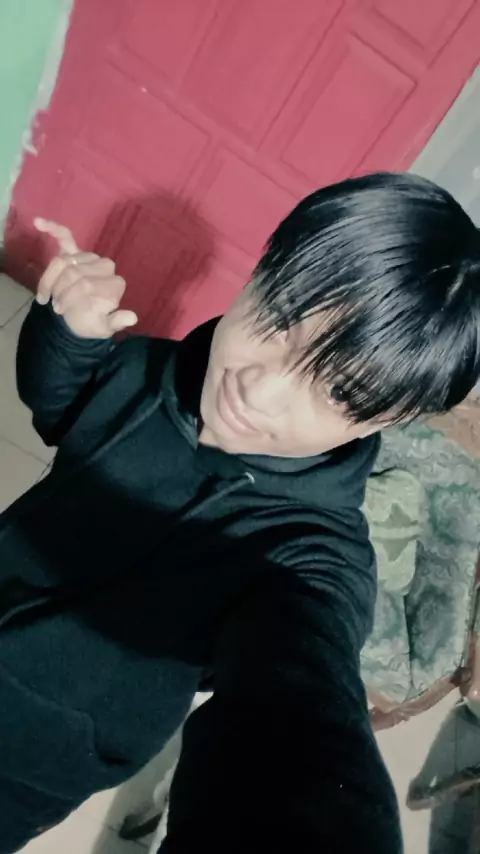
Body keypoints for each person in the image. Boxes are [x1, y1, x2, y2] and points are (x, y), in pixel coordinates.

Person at [1, 172, 479, 854]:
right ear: (261, 268)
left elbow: (302, 704)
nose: (258, 388)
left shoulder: (309, 558)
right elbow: (61, 409)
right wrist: (68, 335)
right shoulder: (155, 371)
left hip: (30, 755)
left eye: (338, 390)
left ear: (390, 417)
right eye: (279, 316)